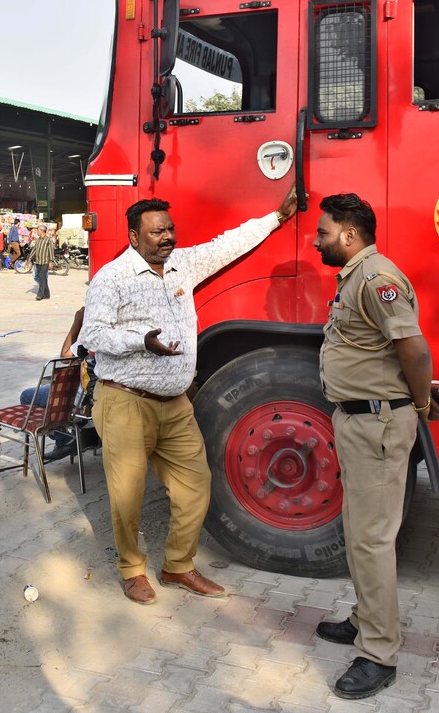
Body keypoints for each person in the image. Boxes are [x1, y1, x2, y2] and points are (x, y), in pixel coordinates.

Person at [78, 189, 298, 606]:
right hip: (126, 401)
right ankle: (131, 569)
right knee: (128, 494)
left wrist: (275, 218)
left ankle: (178, 565)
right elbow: (93, 334)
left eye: (169, 229)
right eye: (156, 232)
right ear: (133, 237)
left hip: (176, 405)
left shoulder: (183, 265)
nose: (166, 237)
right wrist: (141, 340)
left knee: (196, 486)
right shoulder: (113, 278)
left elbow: (226, 245)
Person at [310, 192, 439, 700]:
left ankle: (379, 653)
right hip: (358, 422)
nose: (317, 239)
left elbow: (412, 347)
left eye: (324, 232)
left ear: (349, 235)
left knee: (372, 540)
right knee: (358, 532)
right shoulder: (355, 277)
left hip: (379, 426)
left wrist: (418, 403)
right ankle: (365, 618)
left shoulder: (376, 279)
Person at [19, 306, 101, 462]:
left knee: (26, 396)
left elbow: (65, 356)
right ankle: (77, 435)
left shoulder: (91, 340)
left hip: (77, 402)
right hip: (95, 399)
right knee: (49, 387)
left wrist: (77, 322)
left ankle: (64, 439)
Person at [31, 224, 57, 301]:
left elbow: (51, 251)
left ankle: (40, 294)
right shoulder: (38, 240)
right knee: (42, 278)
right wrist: (29, 258)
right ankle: (47, 294)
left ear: (42, 231)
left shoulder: (48, 240)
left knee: (42, 277)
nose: (37, 232)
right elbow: (34, 250)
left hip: (45, 262)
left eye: (38, 230)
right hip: (38, 261)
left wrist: (51, 262)